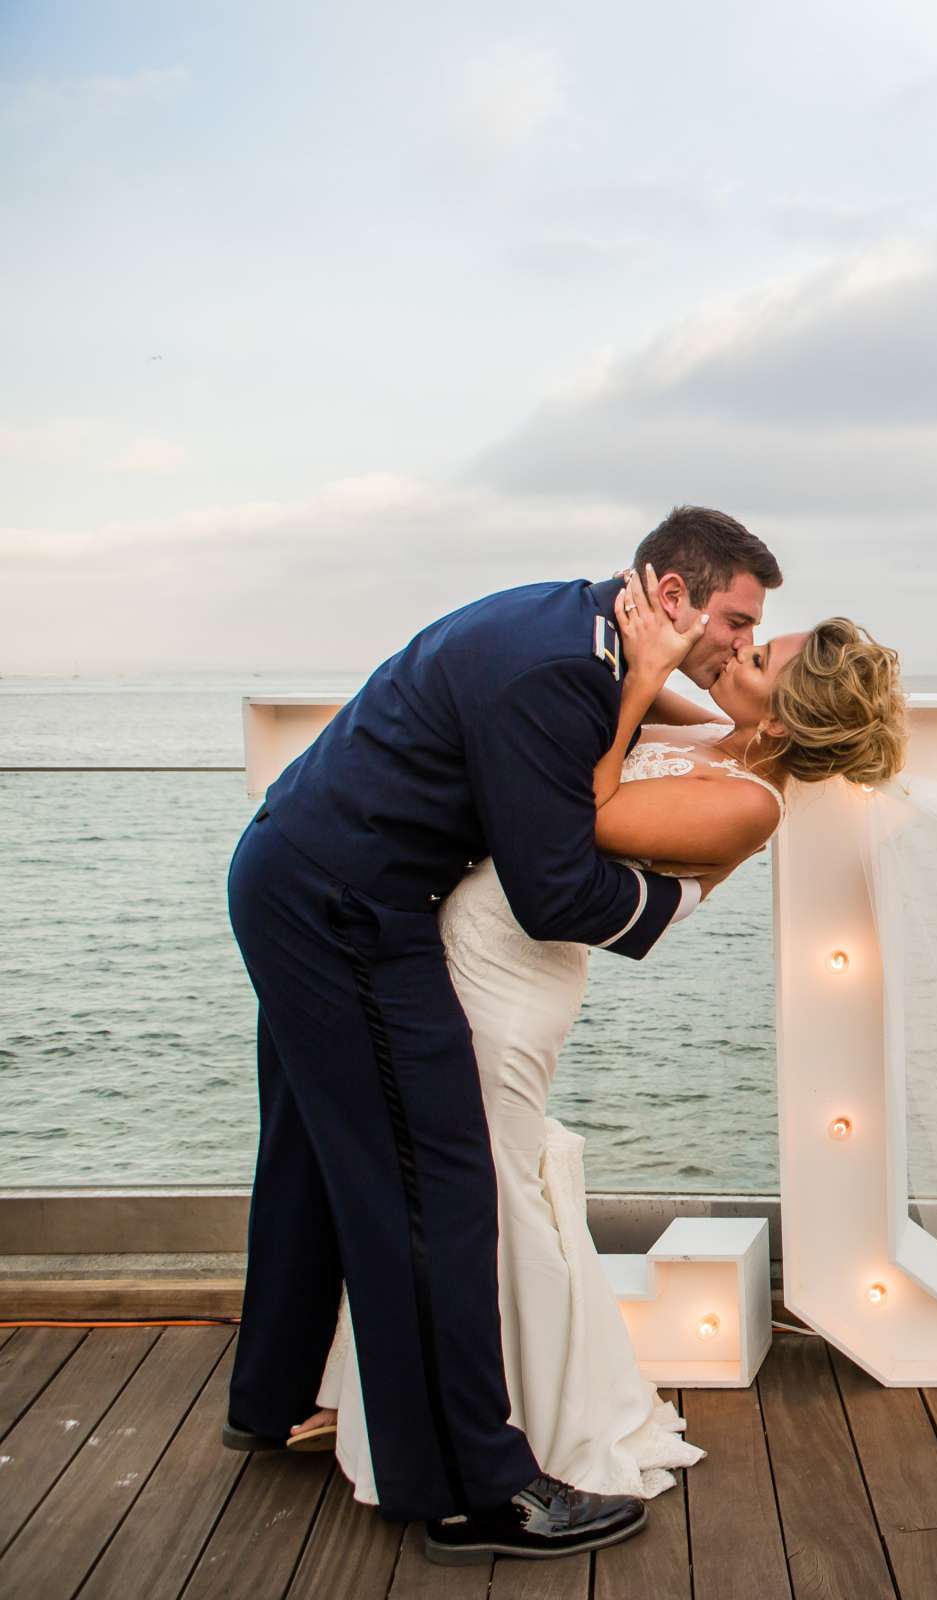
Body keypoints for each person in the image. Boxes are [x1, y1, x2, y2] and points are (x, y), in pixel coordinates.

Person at [223, 507, 778, 1563]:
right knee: (436, 1183)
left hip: (297, 877)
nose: (739, 646)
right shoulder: (559, 676)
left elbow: (621, 703)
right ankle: (474, 1489)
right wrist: (687, 899)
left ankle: (273, 1397)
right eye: (736, 620)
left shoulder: (579, 629)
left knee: (307, 1156)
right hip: (347, 913)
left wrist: (695, 726)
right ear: (670, 596)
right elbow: (555, 890)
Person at [301, 596, 906, 1520]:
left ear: (780, 719)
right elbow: (597, 689)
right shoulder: (718, 736)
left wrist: (642, 683)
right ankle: (417, 1409)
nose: (738, 649)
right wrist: (659, 653)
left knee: (488, 1195)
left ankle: (526, 1429)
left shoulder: (748, 804)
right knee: (454, 1187)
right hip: (459, 954)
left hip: (510, 982)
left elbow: (585, 810)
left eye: (756, 657)